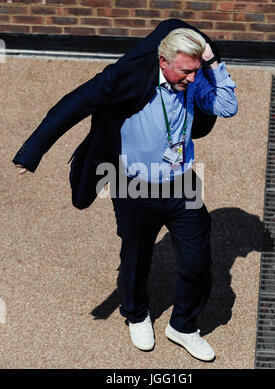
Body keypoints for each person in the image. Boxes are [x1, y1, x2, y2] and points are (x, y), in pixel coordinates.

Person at [13, 19, 238, 362]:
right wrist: (32, 151)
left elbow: (227, 107)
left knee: (197, 263)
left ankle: (183, 327)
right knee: (135, 256)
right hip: (133, 185)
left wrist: (214, 64)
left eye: (196, 70)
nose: (191, 79)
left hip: (181, 184)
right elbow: (74, 103)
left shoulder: (195, 80)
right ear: (163, 61)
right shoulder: (127, 77)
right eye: (185, 71)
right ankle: (135, 313)